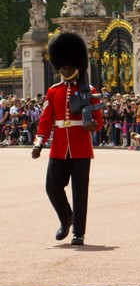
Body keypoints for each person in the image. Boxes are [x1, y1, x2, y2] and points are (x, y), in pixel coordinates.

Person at [31, 32, 104, 246]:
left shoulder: (89, 91)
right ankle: (66, 217)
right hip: (59, 146)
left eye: (69, 67)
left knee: (80, 192)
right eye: (62, 67)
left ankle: (78, 232)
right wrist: (39, 142)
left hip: (80, 146)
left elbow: (98, 119)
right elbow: (46, 120)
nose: (65, 70)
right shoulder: (54, 91)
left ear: (77, 67)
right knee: (52, 187)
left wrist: (93, 125)